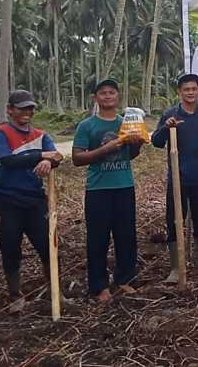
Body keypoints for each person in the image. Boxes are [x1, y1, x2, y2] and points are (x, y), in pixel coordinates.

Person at [0, 90, 64, 311]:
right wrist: (42, 156)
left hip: (35, 200)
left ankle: (55, 291)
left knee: (49, 245)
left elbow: (56, 156)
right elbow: (7, 160)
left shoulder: (41, 135)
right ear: (10, 110)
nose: (27, 112)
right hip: (8, 199)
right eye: (22, 108)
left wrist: (50, 162)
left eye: (30, 108)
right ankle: (15, 295)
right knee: (10, 247)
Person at [72, 79, 146, 303]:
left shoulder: (127, 123)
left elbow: (131, 155)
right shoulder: (87, 126)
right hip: (98, 189)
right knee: (98, 239)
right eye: (102, 93)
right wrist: (105, 149)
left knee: (126, 236)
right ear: (96, 98)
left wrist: (137, 143)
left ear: (118, 97)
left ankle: (124, 280)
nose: (107, 96)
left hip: (124, 186)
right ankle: (99, 286)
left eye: (111, 93)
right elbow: (77, 158)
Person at [151, 74, 198, 284]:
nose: (191, 92)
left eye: (194, 89)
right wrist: (166, 128)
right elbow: (156, 141)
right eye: (186, 89)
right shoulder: (170, 114)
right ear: (179, 92)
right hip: (178, 177)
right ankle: (175, 266)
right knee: (175, 220)